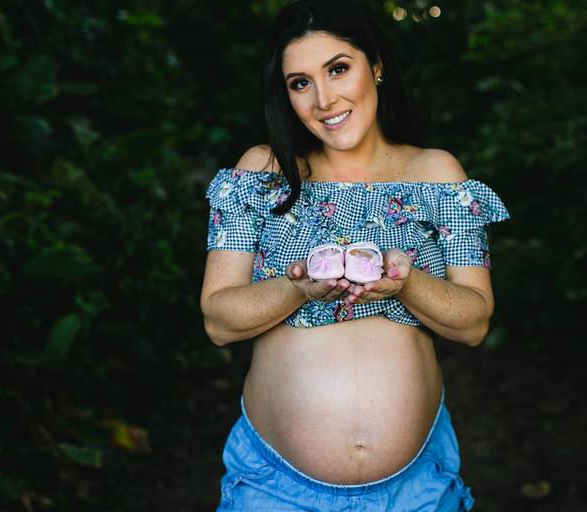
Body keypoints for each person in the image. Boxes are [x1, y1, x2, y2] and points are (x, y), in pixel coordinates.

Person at [200, 1, 510, 510]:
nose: (324, 100)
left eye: (339, 69)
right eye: (300, 83)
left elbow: (473, 322)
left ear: (377, 65)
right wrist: (297, 288)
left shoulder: (436, 174)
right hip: (276, 490)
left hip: (415, 493)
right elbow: (218, 320)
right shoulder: (261, 173)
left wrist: (406, 282)